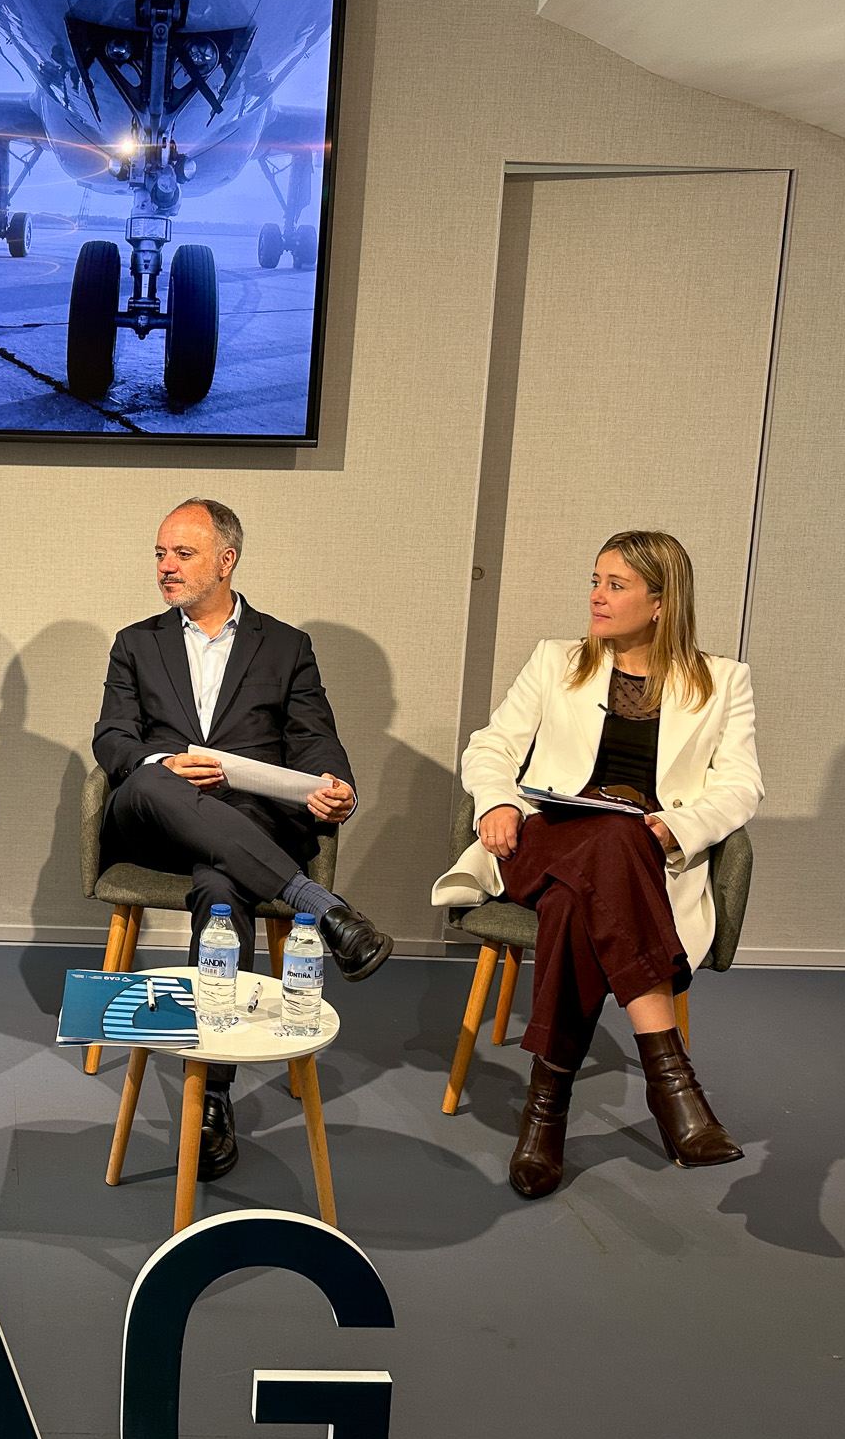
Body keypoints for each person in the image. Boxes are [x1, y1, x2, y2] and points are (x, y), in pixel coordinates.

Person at [435, 529, 762, 1199]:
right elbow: (492, 745)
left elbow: (740, 785)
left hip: (640, 859)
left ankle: (545, 1111)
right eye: (595, 581)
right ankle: (672, 1083)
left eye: (616, 585)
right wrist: (497, 801)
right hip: (545, 841)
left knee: (578, 896)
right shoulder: (556, 661)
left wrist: (677, 827)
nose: (596, 596)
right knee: (608, 839)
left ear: (661, 603)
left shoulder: (724, 681)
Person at [93, 498, 394, 1182]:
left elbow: (315, 737)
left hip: (246, 824)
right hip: (154, 818)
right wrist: (164, 764)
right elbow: (112, 737)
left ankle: (212, 1093)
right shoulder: (135, 643)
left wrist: (337, 785)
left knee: (222, 891)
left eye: (183, 554)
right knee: (151, 781)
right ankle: (321, 907)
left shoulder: (286, 646)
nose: (166, 567)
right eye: (160, 554)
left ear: (226, 561)